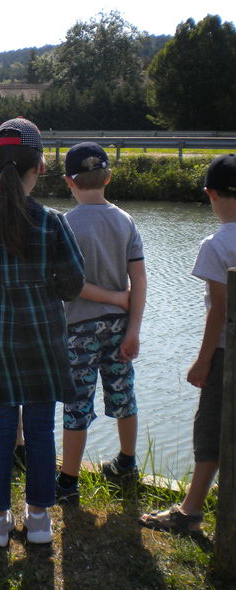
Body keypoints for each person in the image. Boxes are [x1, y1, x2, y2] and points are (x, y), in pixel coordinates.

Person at [0, 118, 84, 547]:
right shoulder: (53, 222)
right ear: (40, 166)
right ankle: (40, 519)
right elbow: (73, 285)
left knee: (1, 429)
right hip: (45, 344)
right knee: (43, 430)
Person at [140, 154, 236, 535]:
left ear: (210, 193)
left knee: (209, 433)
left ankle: (190, 511)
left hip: (227, 353)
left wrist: (203, 361)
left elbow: (220, 311)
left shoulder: (215, 244)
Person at [56, 142, 147, 504]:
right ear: (107, 177)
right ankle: (127, 462)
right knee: (124, 395)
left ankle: (68, 482)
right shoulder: (125, 220)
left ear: (69, 182)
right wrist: (134, 328)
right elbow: (139, 280)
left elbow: (68, 285)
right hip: (121, 327)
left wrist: (110, 298)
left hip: (78, 329)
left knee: (77, 404)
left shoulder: (65, 224)